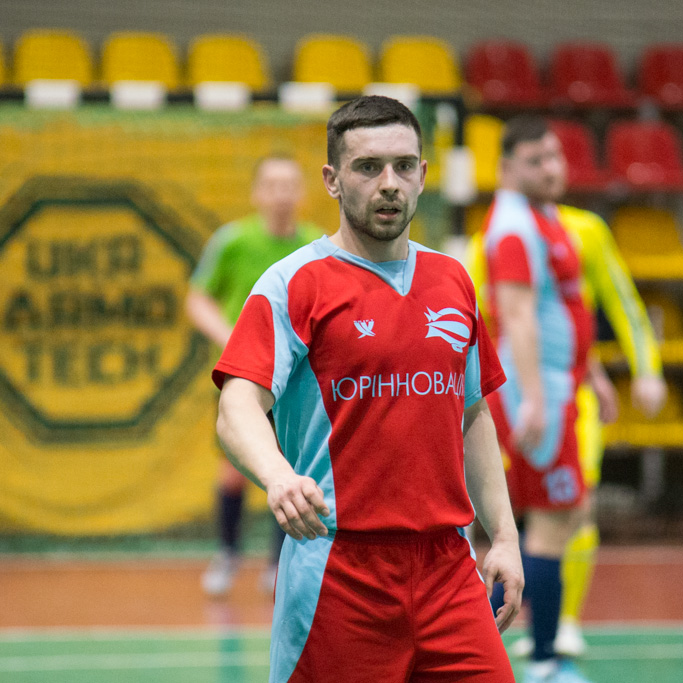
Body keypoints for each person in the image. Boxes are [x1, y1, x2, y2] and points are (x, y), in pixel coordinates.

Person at [212, 95, 524, 682]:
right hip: (339, 570)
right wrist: (277, 476)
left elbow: (473, 413)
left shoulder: (453, 279)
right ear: (332, 180)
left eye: (403, 166)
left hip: (448, 567)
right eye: (368, 167)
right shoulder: (293, 283)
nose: (389, 184)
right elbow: (237, 404)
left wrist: (504, 537)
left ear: (423, 176)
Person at [478, 116, 664, 683]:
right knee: (550, 522)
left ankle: (516, 651)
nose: (551, 168)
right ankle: (533, 658)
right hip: (538, 393)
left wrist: (593, 375)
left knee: (565, 516)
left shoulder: (551, 221)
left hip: (560, 385)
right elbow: (515, 317)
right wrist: (534, 399)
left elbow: (563, 311)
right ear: (506, 168)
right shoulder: (514, 228)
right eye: (536, 160)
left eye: (555, 156)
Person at [186, 154, 323, 596]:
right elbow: (198, 299)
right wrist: (233, 338)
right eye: (272, 185)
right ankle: (228, 554)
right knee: (234, 471)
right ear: (257, 193)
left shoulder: (315, 247)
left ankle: (278, 563)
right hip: (245, 378)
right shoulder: (233, 242)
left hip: (297, 383)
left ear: (303, 193)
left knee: (291, 468)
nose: (281, 194)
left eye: (289, 185)